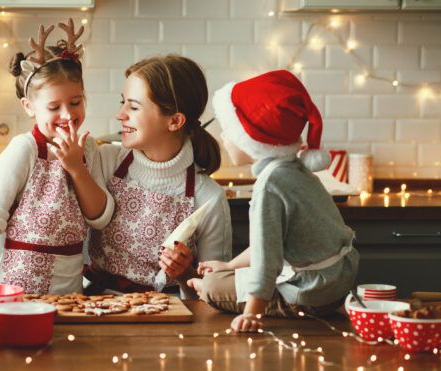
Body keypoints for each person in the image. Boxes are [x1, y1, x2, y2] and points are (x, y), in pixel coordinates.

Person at [187, 70, 359, 332]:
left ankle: (211, 291)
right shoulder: (295, 170)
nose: (223, 137)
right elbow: (269, 244)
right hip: (333, 282)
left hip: (309, 293)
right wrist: (230, 266)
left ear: (253, 139)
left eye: (229, 130)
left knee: (212, 285)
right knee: (224, 274)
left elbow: (268, 260)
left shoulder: (269, 186)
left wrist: (252, 314)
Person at [0, 19, 114, 295]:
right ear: (29, 107)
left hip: (70, 289)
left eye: (76, 102)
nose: (67, 114)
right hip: (19, 286)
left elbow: (99, 216)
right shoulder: (23, 150)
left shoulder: (88, 150)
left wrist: (76, 168)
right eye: (54, 107)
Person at [85, 55, 232, 297]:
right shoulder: (106, 161)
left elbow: (214, 295)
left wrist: (185, 274)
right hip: (96, 304)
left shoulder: (209, 198)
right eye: (122, 103)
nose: (120, 115)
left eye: (133, 107)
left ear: (174, 121)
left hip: (167, 316)